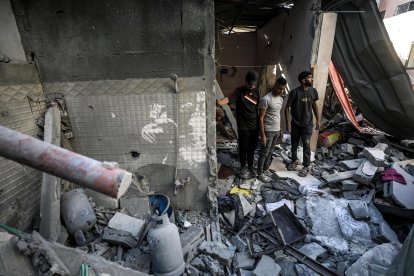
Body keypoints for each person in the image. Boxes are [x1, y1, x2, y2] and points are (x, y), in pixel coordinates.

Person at [217, 70, 260, 178]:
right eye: (250, 84)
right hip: (243, 126)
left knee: (252, 147)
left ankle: (250, 166)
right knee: (243, 147)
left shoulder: (257, 92)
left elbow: (258, 108)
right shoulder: (239, 90)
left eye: (253, 84)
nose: (251, 86)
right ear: (245, 81)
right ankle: (243, 166)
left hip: (254, 125)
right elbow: (226, 99)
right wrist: (219, 102)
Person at [284, 71, 320, 177]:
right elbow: (287, 107)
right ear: (303, 80)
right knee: (294, 144)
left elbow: (315, 106)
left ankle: (306, 166)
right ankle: (294, 161)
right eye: (310, 78)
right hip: (295, 124)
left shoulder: (313, 91)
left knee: (306, 144)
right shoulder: (295, 92)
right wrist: (288, 122)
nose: (312, 79)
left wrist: (318, 119)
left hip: (307, 124)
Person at [257, 77, 287, 182]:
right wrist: (263, 135)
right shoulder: (266, 99)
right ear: (275, 85)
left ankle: (265, 169)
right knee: (264, 152)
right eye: (279, 88)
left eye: (283, 89)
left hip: (276, 130)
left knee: (270, 152)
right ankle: (260, 173)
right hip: (268, 131)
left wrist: (281, 129)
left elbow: (277, 114)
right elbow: (260, 118)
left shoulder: (281, 99)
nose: (281, 91)